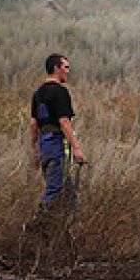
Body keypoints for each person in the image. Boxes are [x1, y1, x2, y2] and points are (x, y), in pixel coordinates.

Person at [29, 53, 86, 210]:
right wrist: (77, 149)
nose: (68, 71)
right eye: (65, 67)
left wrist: (35, 152)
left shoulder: (37, 94)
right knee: (54, 190)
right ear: (56, 68)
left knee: (70, 198)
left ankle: (64, 232)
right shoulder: (60, 92)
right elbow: (64, 121)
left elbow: (34, 125)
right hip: (56, 144)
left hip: (44, 145)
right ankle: (34, 226)